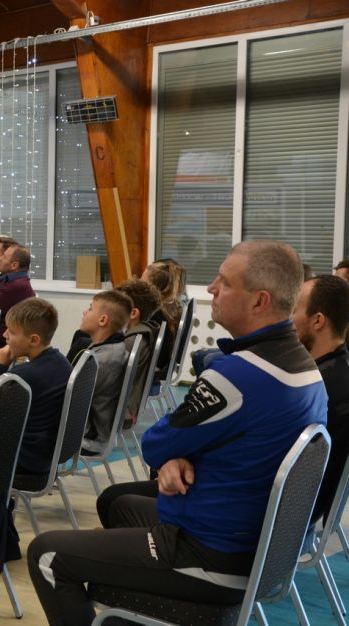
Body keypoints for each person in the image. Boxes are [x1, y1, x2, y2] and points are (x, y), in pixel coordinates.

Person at [29, 240, 327, 626]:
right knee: (119, 504)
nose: (212, 288)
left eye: (225, 282)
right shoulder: (306, 369)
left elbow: (155, 443)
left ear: (260, 301)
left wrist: (174, 451)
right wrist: (179, 453)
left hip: (208, 554)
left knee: (46, 554)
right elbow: (215, 442)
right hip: (255, 549)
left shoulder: (238, 376)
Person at [0, 297, 72, 481]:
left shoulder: (24, 375)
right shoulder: (61, 362)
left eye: (12, 332)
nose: (5, 335)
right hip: (43, 455)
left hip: (23, 459)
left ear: (33, 340)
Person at [292, 274, 349, 525]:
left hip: (286, 516)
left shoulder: (316, 391)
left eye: (294, 310)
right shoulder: (339, 372)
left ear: (317, 320)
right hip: (312, 508)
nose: (288, 319)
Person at [76, 290, 131, 455]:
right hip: (94, 431)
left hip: (88, 438)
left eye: (90, 308)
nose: (84, 312)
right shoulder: (112, 348)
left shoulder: (102, 360)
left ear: (102, 320)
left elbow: (70, 399)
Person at [114, 278, 162, 422]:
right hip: (128, 407)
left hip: (120, 412)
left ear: (133, 313)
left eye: (115, 305)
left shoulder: (130, 343)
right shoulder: (143, 333)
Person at [142, 258, 187, 373]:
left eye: (142, 282)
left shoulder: (157, 314)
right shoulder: (171, 308)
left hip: (149, 371)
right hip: (160, 367)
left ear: (153, 288)